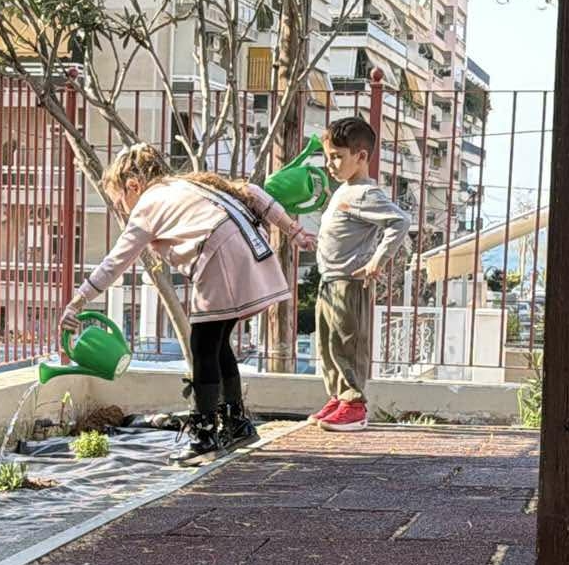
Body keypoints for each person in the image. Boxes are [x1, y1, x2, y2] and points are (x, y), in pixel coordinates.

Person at [60, 143, 313, 464]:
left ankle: (204, 436)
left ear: (133, 185)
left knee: (202, 347)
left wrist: (78, 301)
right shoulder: (189, 184)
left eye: (120, 201)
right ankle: (236, 423)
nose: (122, 210)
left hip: (219, 256)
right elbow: (252, 192)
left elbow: (115, 262)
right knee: (217, 344)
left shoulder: (148, 204)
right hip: (251, 248)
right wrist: (294, 231)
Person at [308, 116, 411, 432]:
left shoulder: (366, 193)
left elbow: (400, 221)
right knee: (328, 346)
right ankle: (339, 397)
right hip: (329, 280)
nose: (330, 164)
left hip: (349, 282)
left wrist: (378, 259)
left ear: (361, 156)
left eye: (337, 157)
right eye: (328, 157)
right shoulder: (344, 190)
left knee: (347, 344)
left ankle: (353, 405)